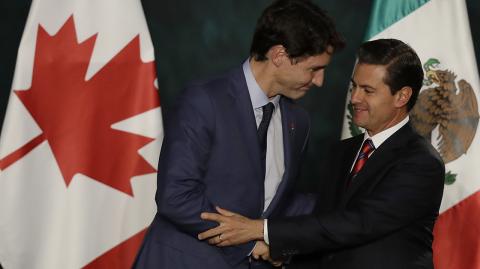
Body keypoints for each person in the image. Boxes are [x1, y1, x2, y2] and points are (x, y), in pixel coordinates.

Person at [198, 38, 445, 269]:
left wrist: (261, 230)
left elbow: (358, 223)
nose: (354, 98)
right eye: (354, 86)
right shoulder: (343, 152)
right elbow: (326, 228)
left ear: (402, 96)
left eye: (368, 90)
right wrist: (283, 250)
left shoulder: (421, 162)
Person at [133, 0, 344, 268]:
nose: (319, 80)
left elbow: (279, 203)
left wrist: (352, 199)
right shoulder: (204, 100)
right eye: (314, 69)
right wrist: (251, 242)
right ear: (279, 55)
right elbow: (175, 195)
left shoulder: (298, 121)